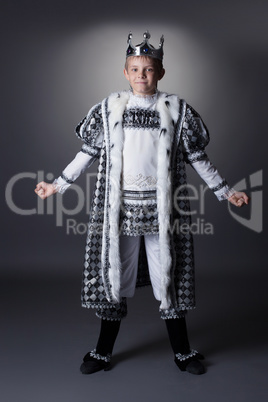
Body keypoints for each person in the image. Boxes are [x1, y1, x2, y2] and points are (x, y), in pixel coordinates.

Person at [35, 31, 249, 375]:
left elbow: (198, 158)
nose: (141, 75)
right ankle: (102, 351)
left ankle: (182, 351)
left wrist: (226, 191)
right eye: (134, 69)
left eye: (148, 69)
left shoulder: (177, 111)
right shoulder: (108, 110)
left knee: (171, 274)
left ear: (160, 72)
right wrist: (57, 184)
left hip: (165, 211)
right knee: (114, 275)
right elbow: (86, 153)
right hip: (119, 211)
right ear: (125, 72)